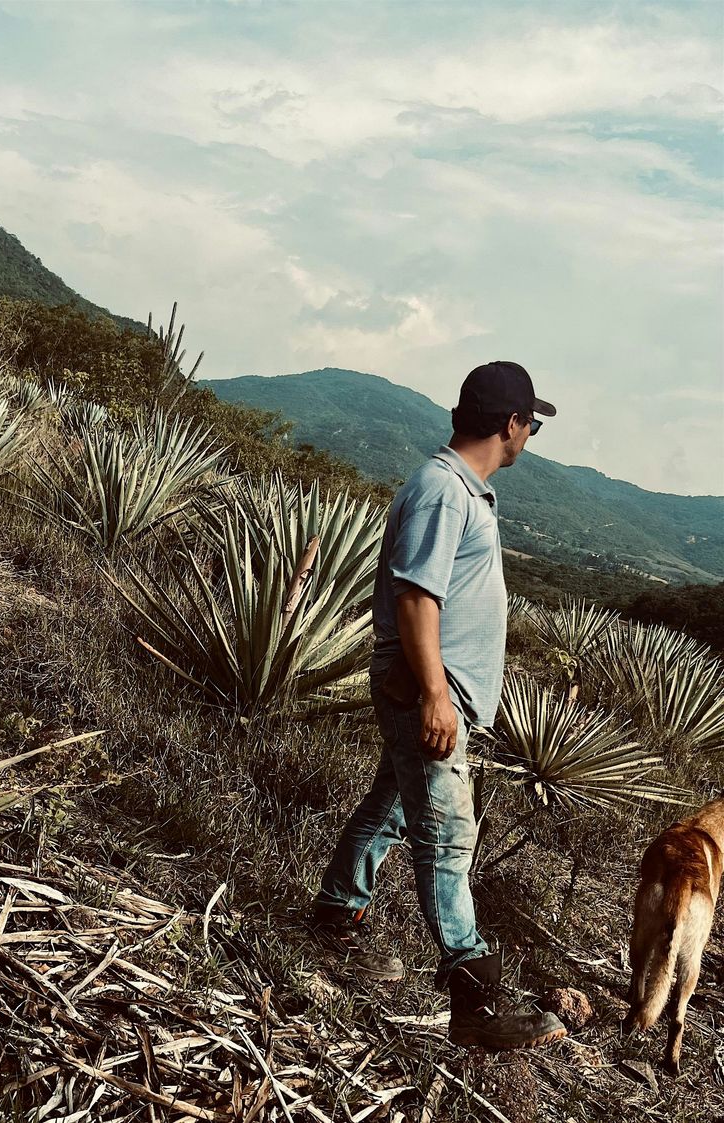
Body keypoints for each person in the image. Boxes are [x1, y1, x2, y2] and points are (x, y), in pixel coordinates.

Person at [309, 360, 567, 1050]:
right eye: (530, 422)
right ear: (510, 424)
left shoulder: (458, 489)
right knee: (449, 839)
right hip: (429, 692)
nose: (530, 434)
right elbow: (416, 597)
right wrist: (434, 694)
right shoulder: (442, 490)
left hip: (436, 691)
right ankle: (475, 1000)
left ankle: (335, 913)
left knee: (389, 807)